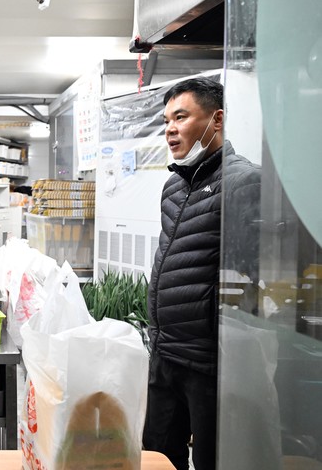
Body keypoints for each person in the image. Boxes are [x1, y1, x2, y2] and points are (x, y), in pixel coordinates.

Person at [142, 77, 261, 470]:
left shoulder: (244, 181)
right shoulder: (173, 187)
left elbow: (252, 278)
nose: (170, 129)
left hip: (210, 363)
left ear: (217, 120)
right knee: (157, 456)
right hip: (165, 353)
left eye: (181, 117)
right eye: (166, 121)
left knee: (214, 460)